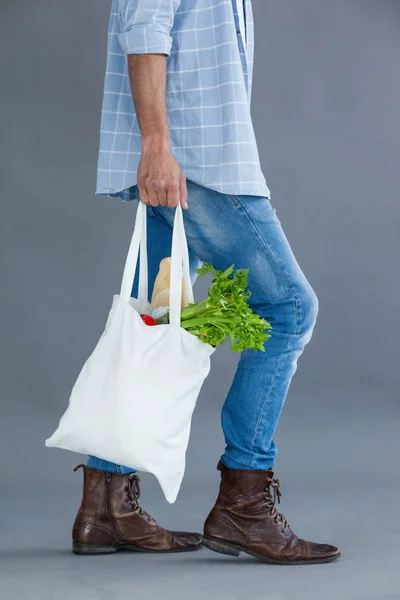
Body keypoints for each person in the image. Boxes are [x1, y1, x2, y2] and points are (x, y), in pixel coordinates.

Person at [72, 0, 340, 564]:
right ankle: (244, 505)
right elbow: (144, 30)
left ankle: (106, 510)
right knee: (288, 309)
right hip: (198, 162)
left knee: (153, 320)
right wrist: (156, 147)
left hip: (188, 156)